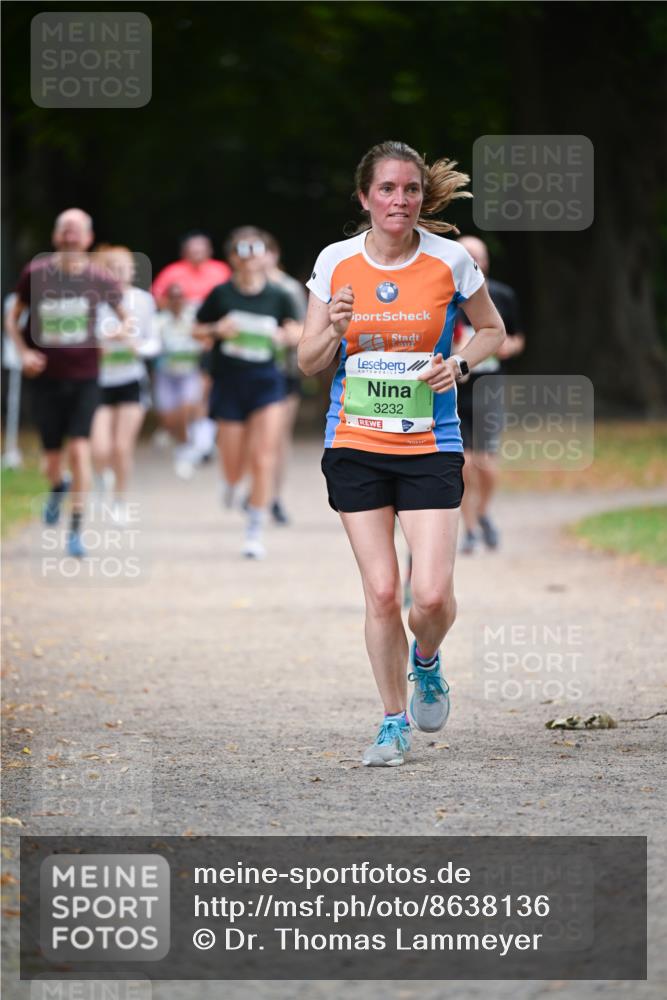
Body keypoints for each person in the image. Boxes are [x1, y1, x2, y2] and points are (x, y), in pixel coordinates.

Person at [298, 141, 505, 767]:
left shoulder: (450, 261)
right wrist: (332, 328)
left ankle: (427, 661)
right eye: (386, 189)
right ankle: (392, 722)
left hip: (430, 444)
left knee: (432, 597)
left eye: (410, 189)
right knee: (384, 593)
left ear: (422, 196)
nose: (400, 200)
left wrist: (459, 365)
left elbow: (490, 330)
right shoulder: (335, 262)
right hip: (356, 444)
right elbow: (308, 363)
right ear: (364, 197)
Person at [5, 208, 127, 557]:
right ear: (56, 236)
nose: (70, 236)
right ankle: (58, 486)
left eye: (77, 231)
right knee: (52, 462)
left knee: (79, 450)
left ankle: (75, 531)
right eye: (64, 230)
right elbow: (12, 319)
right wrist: (23, 352)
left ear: (88, 238)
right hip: (45, 378)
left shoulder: (99, 278)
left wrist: (118, 331)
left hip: (85, 377)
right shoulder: (36, 273)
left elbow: (125, 318)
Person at [193, 227, 302, 559]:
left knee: (263, 456)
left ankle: (254, 529)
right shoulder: (221, 294)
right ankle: (230, 484)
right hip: (229, 383)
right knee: (233, 463)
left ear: (265, 256)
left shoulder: (279, 295)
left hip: (268, 382)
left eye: (256, 250)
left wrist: (286, 336)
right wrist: (216, 330)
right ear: (232, 258)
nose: (250, 256)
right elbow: (197, 330)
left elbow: (298, 331)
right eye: (243, 250)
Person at [455, 235, 525, 554]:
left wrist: (509, 346)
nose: (474, 263)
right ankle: (469, 529)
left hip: (490, 386)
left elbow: (517, 337)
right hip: (454, 390)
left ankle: (483, 511)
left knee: (486, 462)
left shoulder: (501, 295)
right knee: (464, 465)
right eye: (466, 256)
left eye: (478, 257)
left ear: (486, 262)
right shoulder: (445, 298)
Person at [91, 245, 158, 519]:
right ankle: (101, 479)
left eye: (124, 267)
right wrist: (101, 344)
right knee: (100, 447)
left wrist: (135, 346)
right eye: (112, 268)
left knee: (121, 447)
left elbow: (154, 343)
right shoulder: (92, 300)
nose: (118, 273)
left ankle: (119, 501)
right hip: (98, 382)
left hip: (131, 380)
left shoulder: (143, 300)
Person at [151, 232, 230, 461]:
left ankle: (202, 441)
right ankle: (192, 438)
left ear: (209, 251)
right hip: (182, 341)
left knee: (204, 392)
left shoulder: (221, 271)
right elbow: (158, 300)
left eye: (201, 249)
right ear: (184, 252)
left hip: (212, 340)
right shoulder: (172, 273)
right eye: (192, 249)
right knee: (191, 397)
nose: (197, 253)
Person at [263, 232, 308, 524]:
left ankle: (274, 497)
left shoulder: (289, 290)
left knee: (278, 438)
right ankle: (255, 486)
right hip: (245, 373)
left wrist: (286, 337)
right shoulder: (233, 289)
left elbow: (306, 331)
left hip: (284, 372)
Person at [152, 282, 204, 479]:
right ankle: (167, 429)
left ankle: (184, 452)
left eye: (179, 297)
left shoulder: (194, 318)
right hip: (166, 375)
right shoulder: (159, 321)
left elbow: (205, 339)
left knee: (184, 411)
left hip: (189, 374)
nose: (176, 301)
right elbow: (151, 344)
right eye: (172, 297)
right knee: (170, 417)